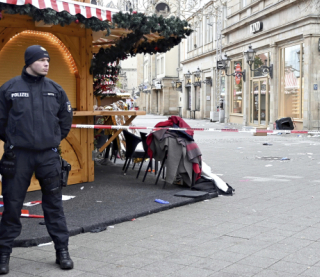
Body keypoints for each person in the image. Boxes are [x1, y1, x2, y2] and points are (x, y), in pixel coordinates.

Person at [0, 45, 74, 274]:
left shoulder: (55, 89)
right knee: (12, 205)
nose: (47, 64)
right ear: (29, 61)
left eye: (48, 60)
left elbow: (65, 119)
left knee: (54, 205)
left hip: (48, 157)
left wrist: (50, 139)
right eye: (42, 60)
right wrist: (14, 139)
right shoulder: (9, 88)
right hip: (17, 156)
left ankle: (62, 251)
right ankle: (3, 254)